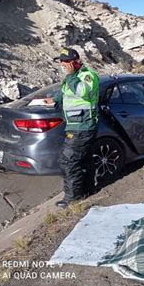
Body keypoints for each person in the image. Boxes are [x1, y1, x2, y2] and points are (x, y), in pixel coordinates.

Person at [44, 48, 100, 208]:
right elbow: (64, 93)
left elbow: (82, 92)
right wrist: (53, 100)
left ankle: (72, 198)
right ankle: (88, 189)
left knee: (67, 160)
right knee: (84, 159)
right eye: (61, 62)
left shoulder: (87, 75)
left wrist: (70, 76)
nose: (62, 65)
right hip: (75, 124)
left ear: (75, 62)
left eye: (65, 62)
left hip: (83, 125)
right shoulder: (72, 77)